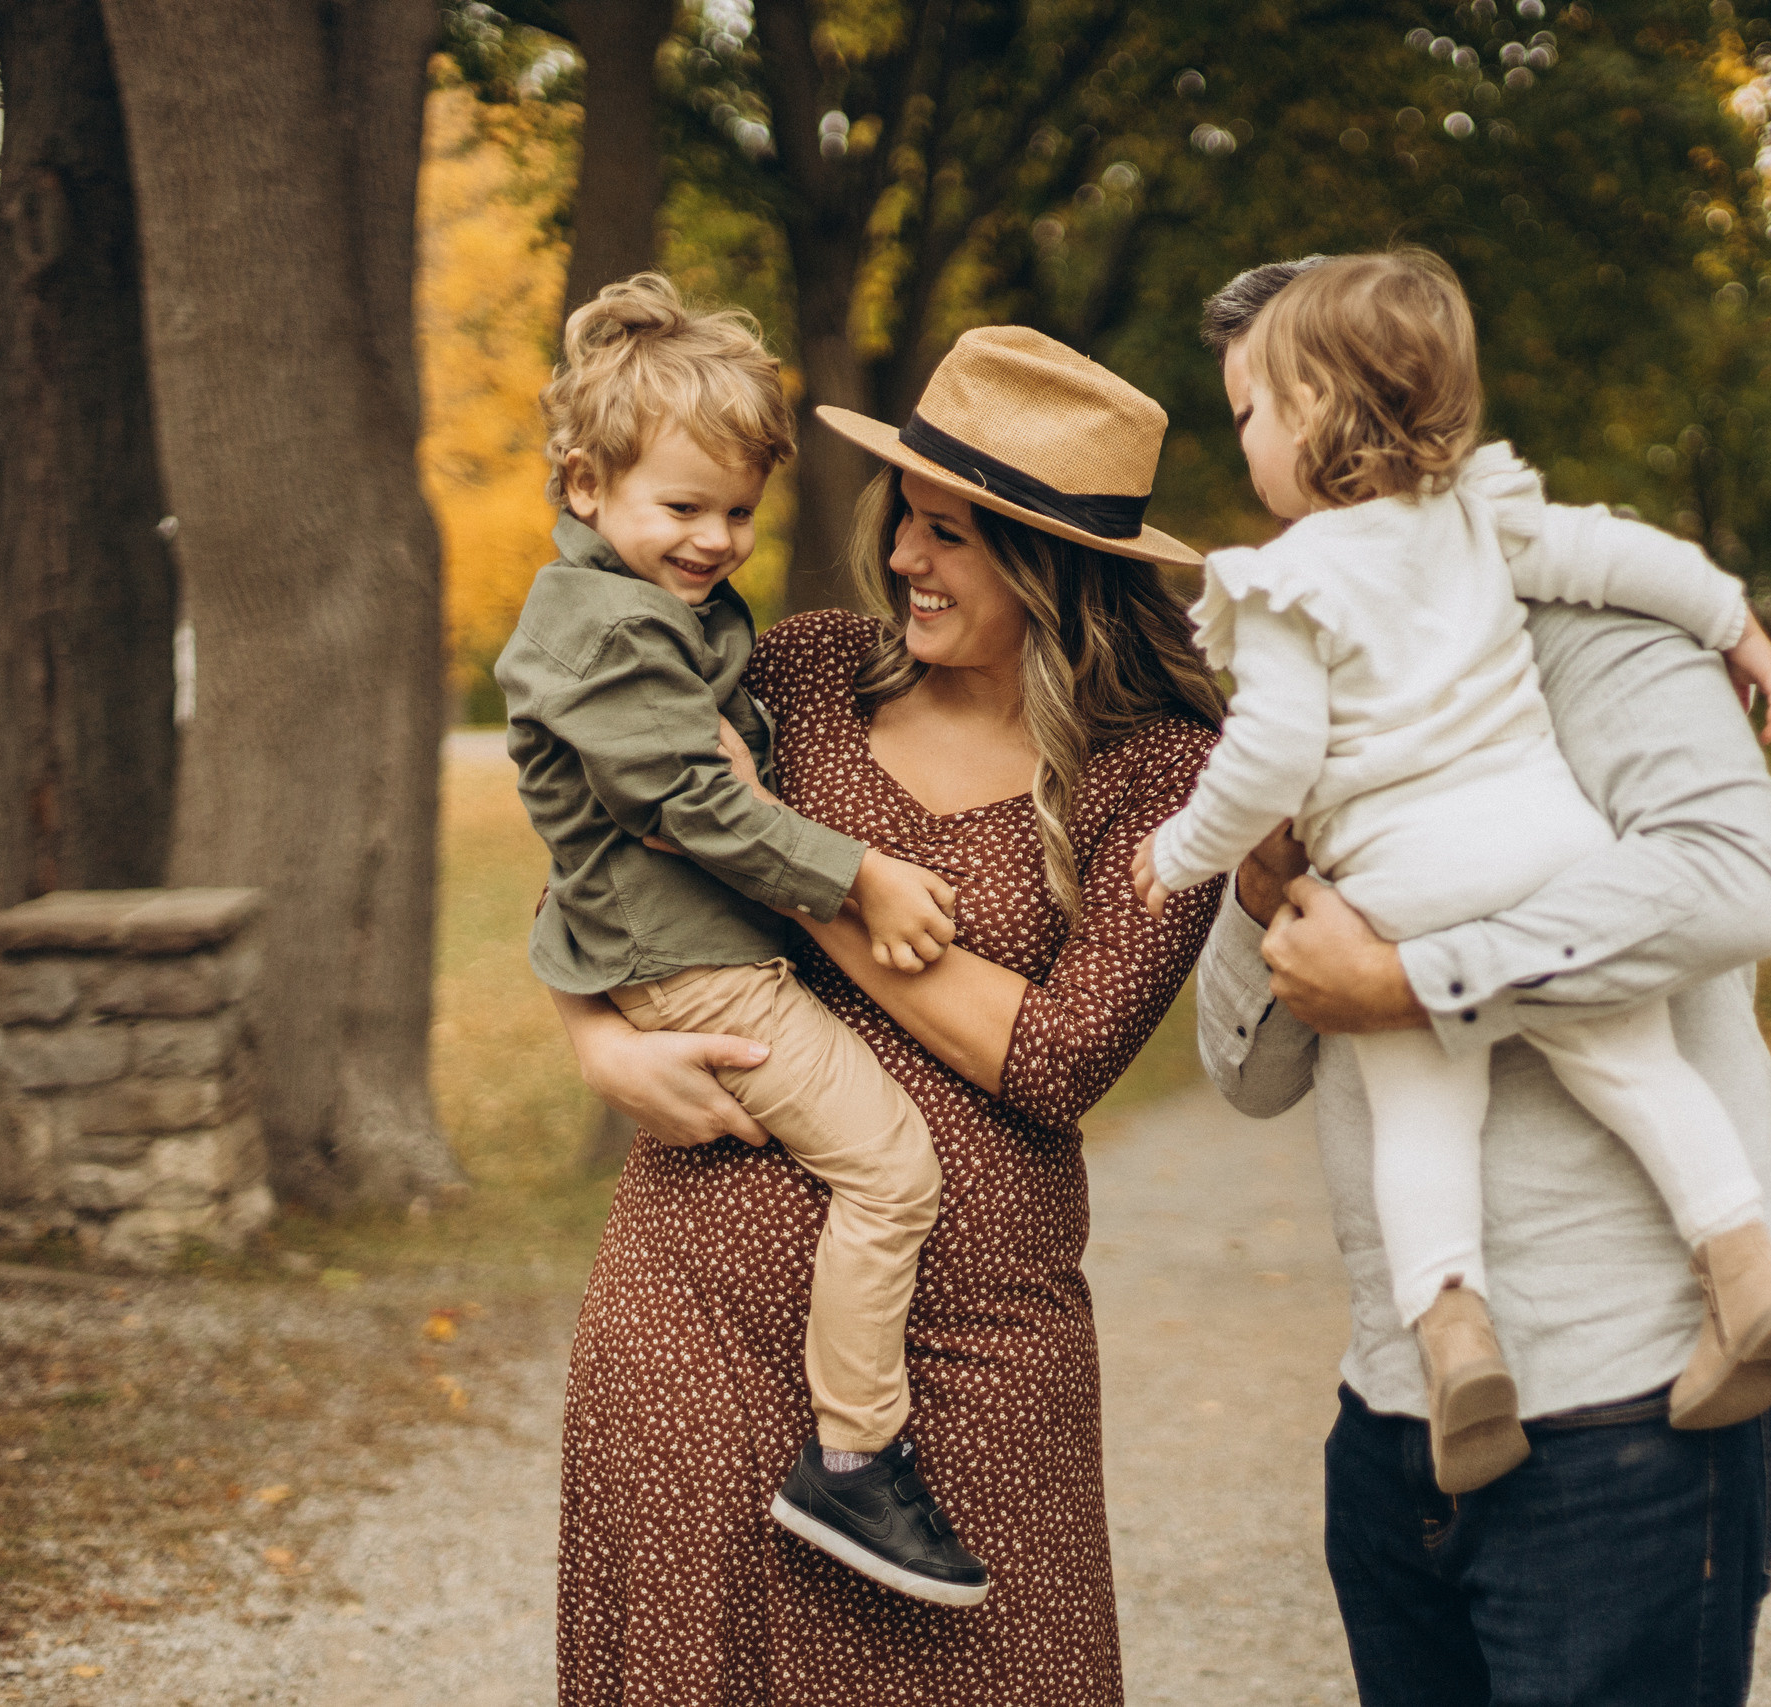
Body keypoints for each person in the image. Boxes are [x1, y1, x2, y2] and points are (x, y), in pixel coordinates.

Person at [550, 323, 1226, 1703]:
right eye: (906, 524)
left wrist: (800, 879)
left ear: (1056, 565)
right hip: (696, 1315)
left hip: (977, 1367)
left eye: (952, 539)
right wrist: (598, 1041)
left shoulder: (1162, 775)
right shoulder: (802, 672)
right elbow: (607, 835)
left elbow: (1056, 1058)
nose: (906, 561)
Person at [1193, 257, 1771, 1706]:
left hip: (1630, 1405)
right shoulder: (1301, 666)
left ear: (1347, 409)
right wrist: (1258, 872)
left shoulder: (1602, 637)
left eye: (1260, 409)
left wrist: (1418, 979)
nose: (1256, 451)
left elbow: (1737, 882)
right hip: (1398, 1410)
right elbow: (1252, 1069)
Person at [499, 273, 985, 1605]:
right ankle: (855, 1457)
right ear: (586, 488)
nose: (717, 538)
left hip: (689, 955)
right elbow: (693, 805)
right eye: (682, 508)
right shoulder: (606, 633)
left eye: (736, 511)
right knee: (892, 1171)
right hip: (695, 969)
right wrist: (863, 877)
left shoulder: (660, 617)